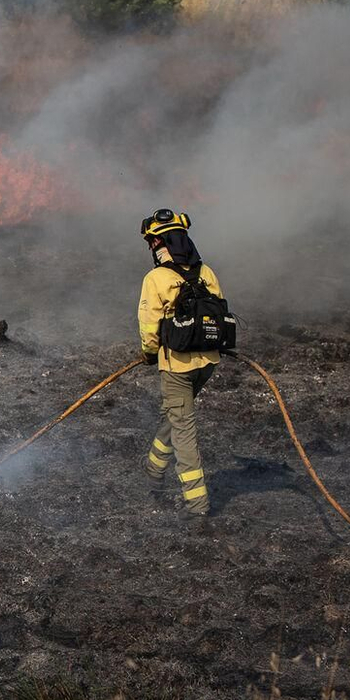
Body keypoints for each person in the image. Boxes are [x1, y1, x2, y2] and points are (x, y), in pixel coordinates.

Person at [138, 209, 225, 516]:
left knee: (183, 428)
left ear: (161, 243)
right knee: (175, 415)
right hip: (208, 363)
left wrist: (149, 354)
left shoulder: (156, 278)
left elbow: (149, 327)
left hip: (177, 367)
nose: (152, 248)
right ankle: (153, 470)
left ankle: (197, 503)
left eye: (153, 242)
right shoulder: (206, 272)